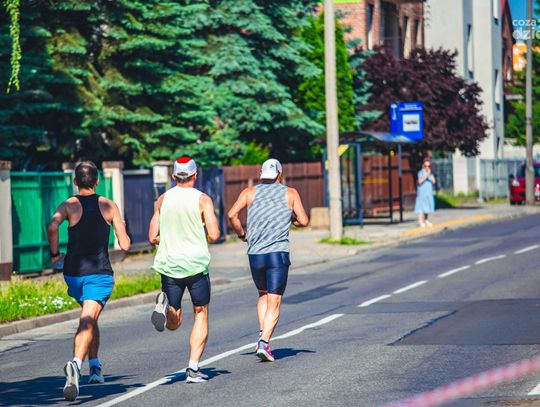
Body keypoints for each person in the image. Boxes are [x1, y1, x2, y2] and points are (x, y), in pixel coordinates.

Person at [47, 161, 131, 401]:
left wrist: (55, 255)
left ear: (75, 181)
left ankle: (95, 366)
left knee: (90, 317)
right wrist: (121, 230)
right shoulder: (108, 205)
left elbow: (52, 227)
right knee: (87, 319)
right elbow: (125, 245)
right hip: (98, 275)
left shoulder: (68, 205)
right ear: (97, 181)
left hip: (73, 275)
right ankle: (75, 364)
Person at [228, 158, 309, 362]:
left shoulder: (249, 193)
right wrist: (292, 220)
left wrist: (242, 235)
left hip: (255, 254)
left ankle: (262, 334)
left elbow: (231, 215)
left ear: (261, 174)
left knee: (262, 294)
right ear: (279, 174)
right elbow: (304, 220)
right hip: (277, 254)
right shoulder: (290, 193)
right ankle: (264, 342)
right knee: (275, 298)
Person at [149, 156, 220, 383]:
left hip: (169, 265)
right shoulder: (203, 200)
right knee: (201, 312)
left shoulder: (162, 199)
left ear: (173, 176)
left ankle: (165, 307)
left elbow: (152, 236)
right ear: (195, 175)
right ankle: (192, 368)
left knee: (174, 322)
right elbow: (215, 234)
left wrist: (171, 238)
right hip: (195, 266)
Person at [415, 158, 436, 227]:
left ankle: (426, 220)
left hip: (428, 193)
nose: (427, 167)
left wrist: (429, 175)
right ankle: (420, 222)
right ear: (423, 166)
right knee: (421, 208)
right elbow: (420, 181)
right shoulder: (420, 173)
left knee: (427, 208)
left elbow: (434, 181)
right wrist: (426, 176)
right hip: (422, 193)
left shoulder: (430, 174)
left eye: (428, 166)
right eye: (425, 166)